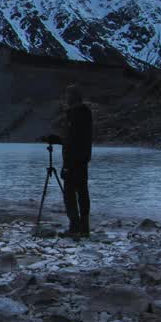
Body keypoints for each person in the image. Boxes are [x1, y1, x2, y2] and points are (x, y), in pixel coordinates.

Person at [56, 85, 93, 237]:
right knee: (82, 192)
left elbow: (72, 141)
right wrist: (59, 140)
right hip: (83, 159)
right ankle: (84, 227)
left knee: (70, 194)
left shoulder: (74, 114)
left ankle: (74, 226)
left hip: (73, 160)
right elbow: (77, 139)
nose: (65, 98)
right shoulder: (86, 113)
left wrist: (67, 165)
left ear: (72, 97)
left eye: (67, 95)